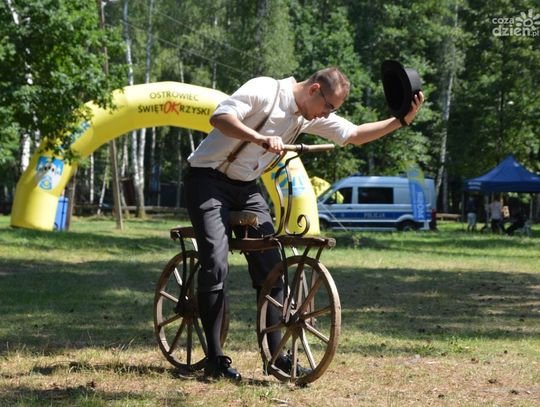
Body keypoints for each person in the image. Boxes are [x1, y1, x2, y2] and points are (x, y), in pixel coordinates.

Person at [184, 67, 424, 380]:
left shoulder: (305, 116)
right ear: (314, 90)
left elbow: (354, 135)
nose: (327, 114)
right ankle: (215, 360)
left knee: (274, 270)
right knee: (215, 264)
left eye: (332, 110)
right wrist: (259, 138)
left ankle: (277, 357)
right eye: (328, 106)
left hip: (245, 188)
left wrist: (401, 121)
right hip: (206, 181)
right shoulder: (266, 90)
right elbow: (220, 117)